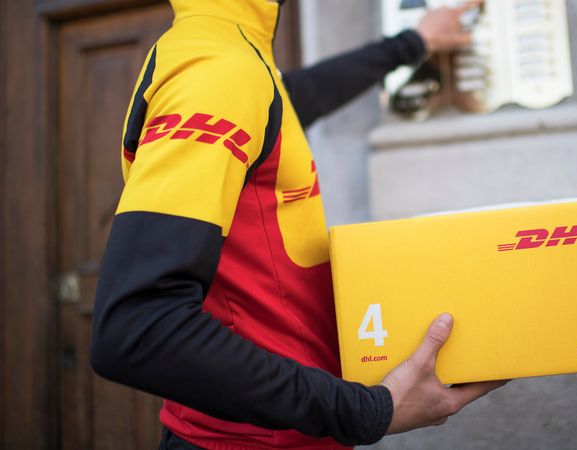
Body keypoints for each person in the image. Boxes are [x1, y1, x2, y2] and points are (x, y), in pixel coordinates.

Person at [90, 1, 505, 449]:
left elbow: (295, 100)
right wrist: (369, 411)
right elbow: (138, 326)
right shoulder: (217, 71)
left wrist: (414, 43)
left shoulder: (235, 54)